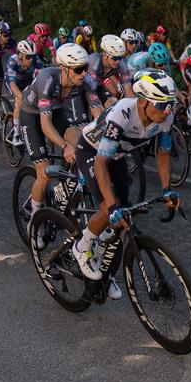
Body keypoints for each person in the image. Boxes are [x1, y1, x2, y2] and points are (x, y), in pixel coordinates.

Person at [70, 69, 180, 291]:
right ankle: (82, 247)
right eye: (161, 105)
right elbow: (101, 163)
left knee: (123, 215)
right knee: (108, 208)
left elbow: (164, 153)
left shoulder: (166, 116)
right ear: (142, 102)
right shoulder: (122, 114)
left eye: (170, 103)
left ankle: (99, 258)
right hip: (92, 152)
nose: (167, 110)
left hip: (117, 155)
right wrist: (111, 206)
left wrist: (167, 188)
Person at [18, 44, 103, 243]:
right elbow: (45, 125)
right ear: (64, 68)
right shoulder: (47, 79)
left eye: (85, 68)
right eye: (78, 69)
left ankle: (64, 194)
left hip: (56, 112)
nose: (84, 73)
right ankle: (34, 218)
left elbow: (98, 113)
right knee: (44, 172)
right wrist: (65, 147)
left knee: (83, 145)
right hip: (32, 116)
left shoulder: (85, 80)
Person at [6, 39, 44, 144]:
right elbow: (12, 84)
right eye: (28, 57)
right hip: (14, 83)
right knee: (19, 101)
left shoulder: (36, 59)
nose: (31, 59)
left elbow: (42, 77)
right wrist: (22, 98)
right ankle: (17, 134)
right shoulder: (13, 61)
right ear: (20, 56)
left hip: (27, 80)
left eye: (33, 56)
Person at [86, 34, 134, 107]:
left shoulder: (121, 63)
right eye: (115, 58)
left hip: (97, 85)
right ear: (105, 55)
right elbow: (91, 95)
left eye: (120, 58)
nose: (118, 61)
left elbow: (129, 92)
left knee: (113, 105)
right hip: (81, 87)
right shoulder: (94, 62)